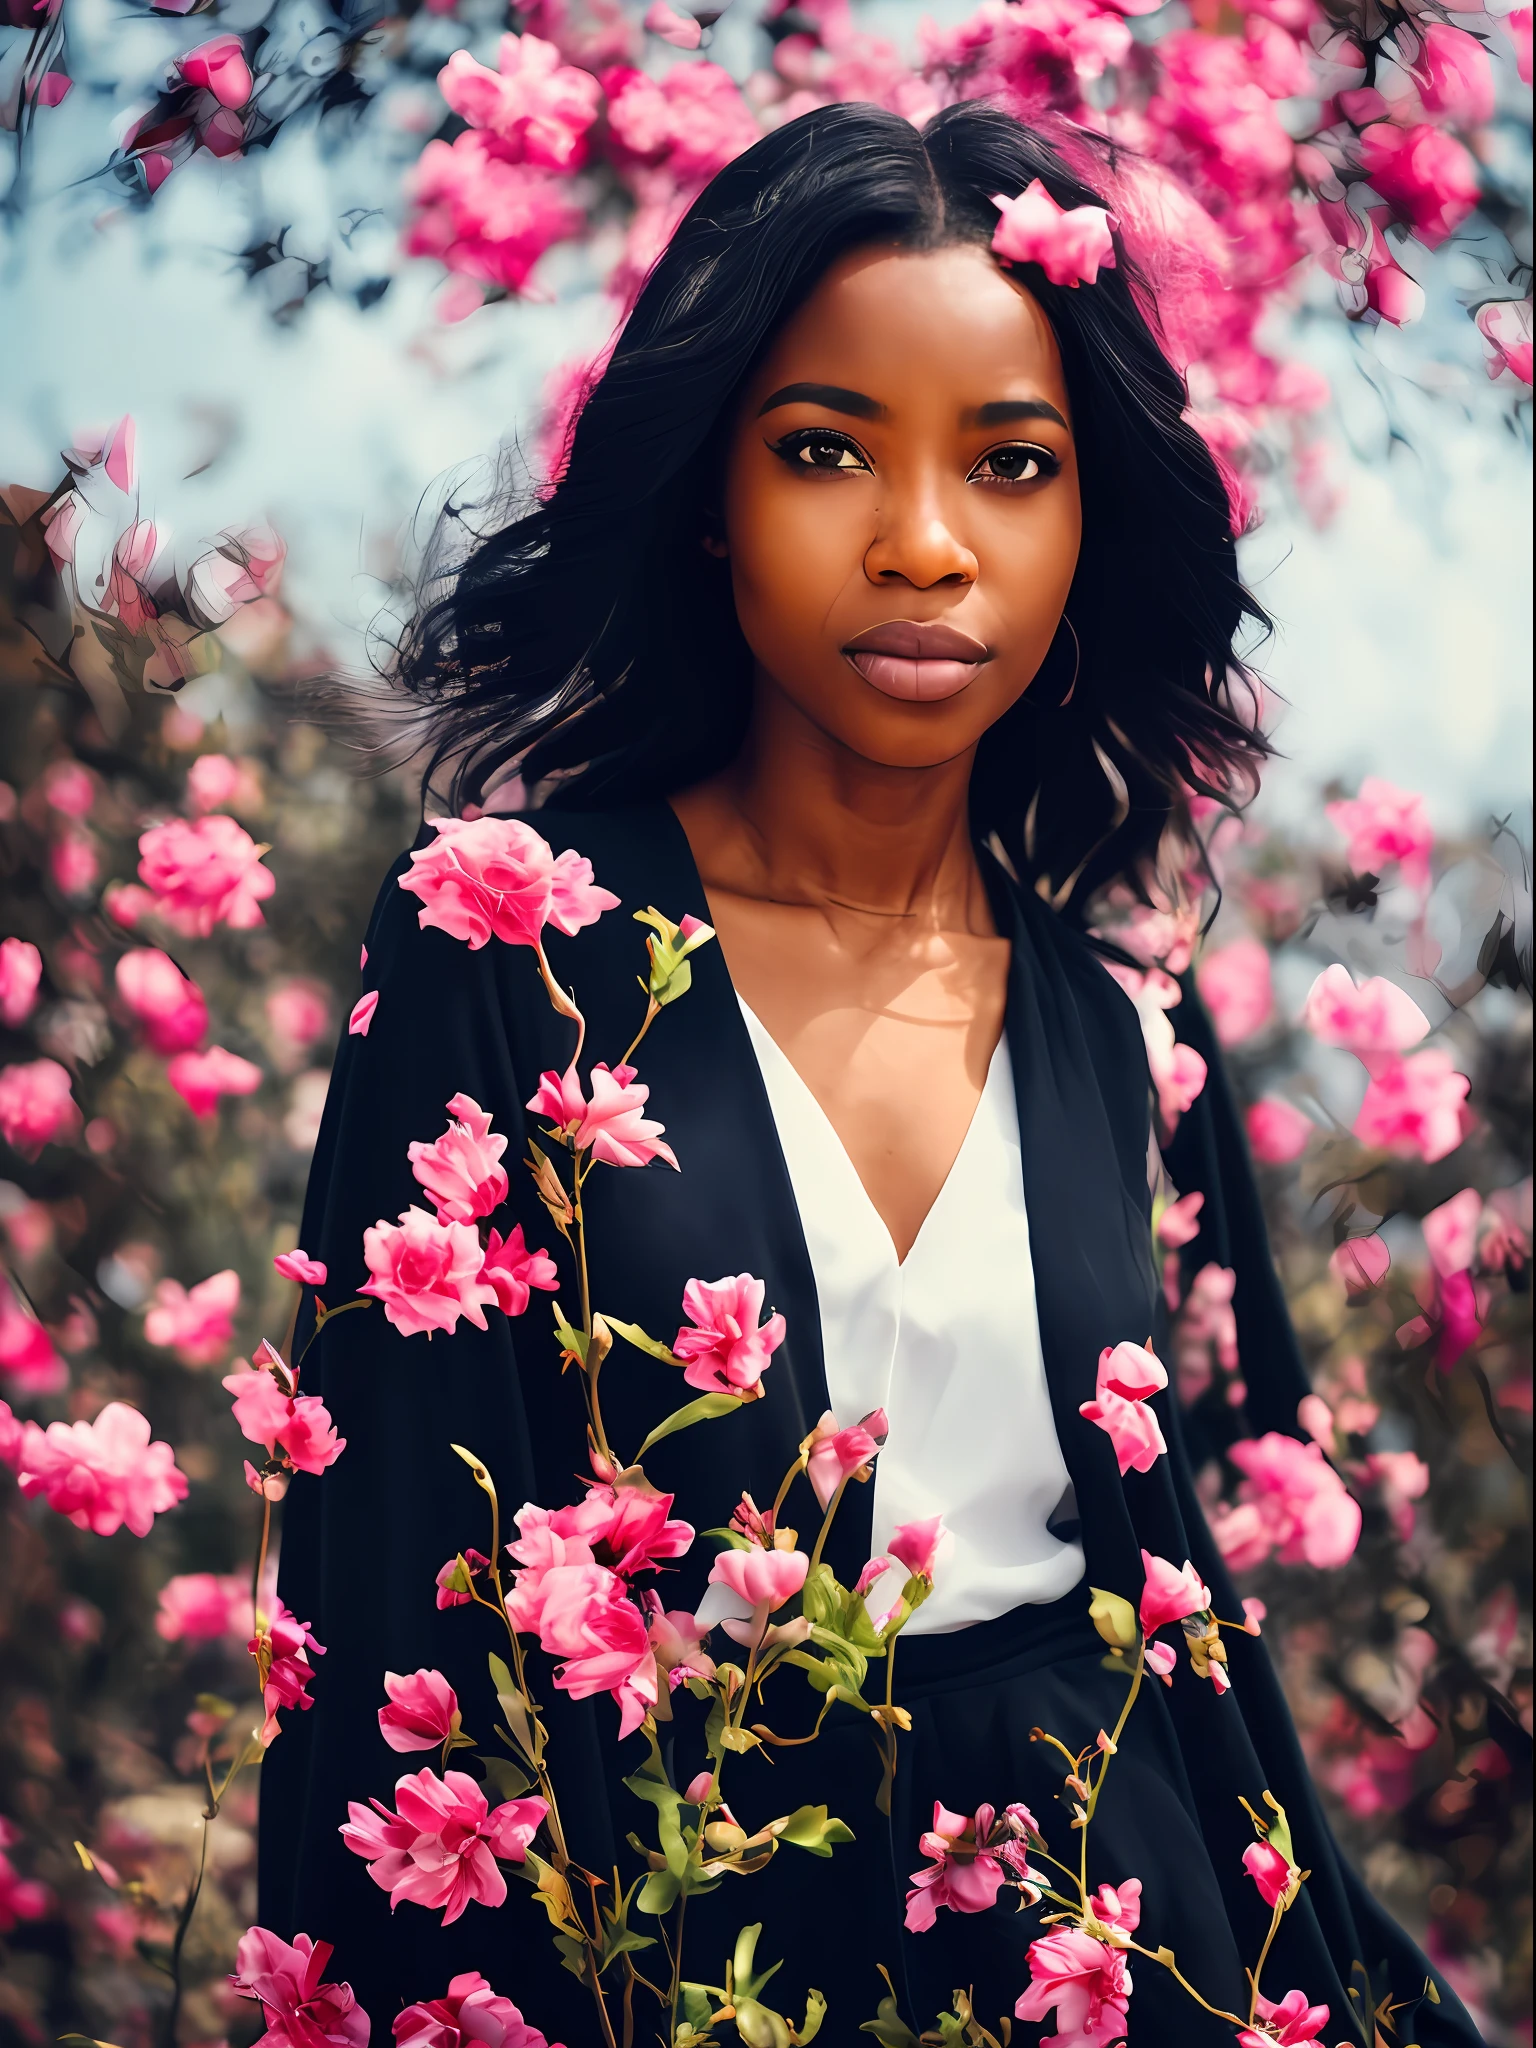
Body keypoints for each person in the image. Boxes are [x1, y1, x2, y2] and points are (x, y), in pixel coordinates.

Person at [259, 102, 1482, 2044]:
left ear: (1088, 524)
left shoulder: (1130, 1028)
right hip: (687, 1947)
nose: (924, 543)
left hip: (1111, 1945)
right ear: (711, 490)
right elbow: (397, 1596)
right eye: (826, 449)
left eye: (1010, 464)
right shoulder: (509, 944)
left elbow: (1198, 1638)